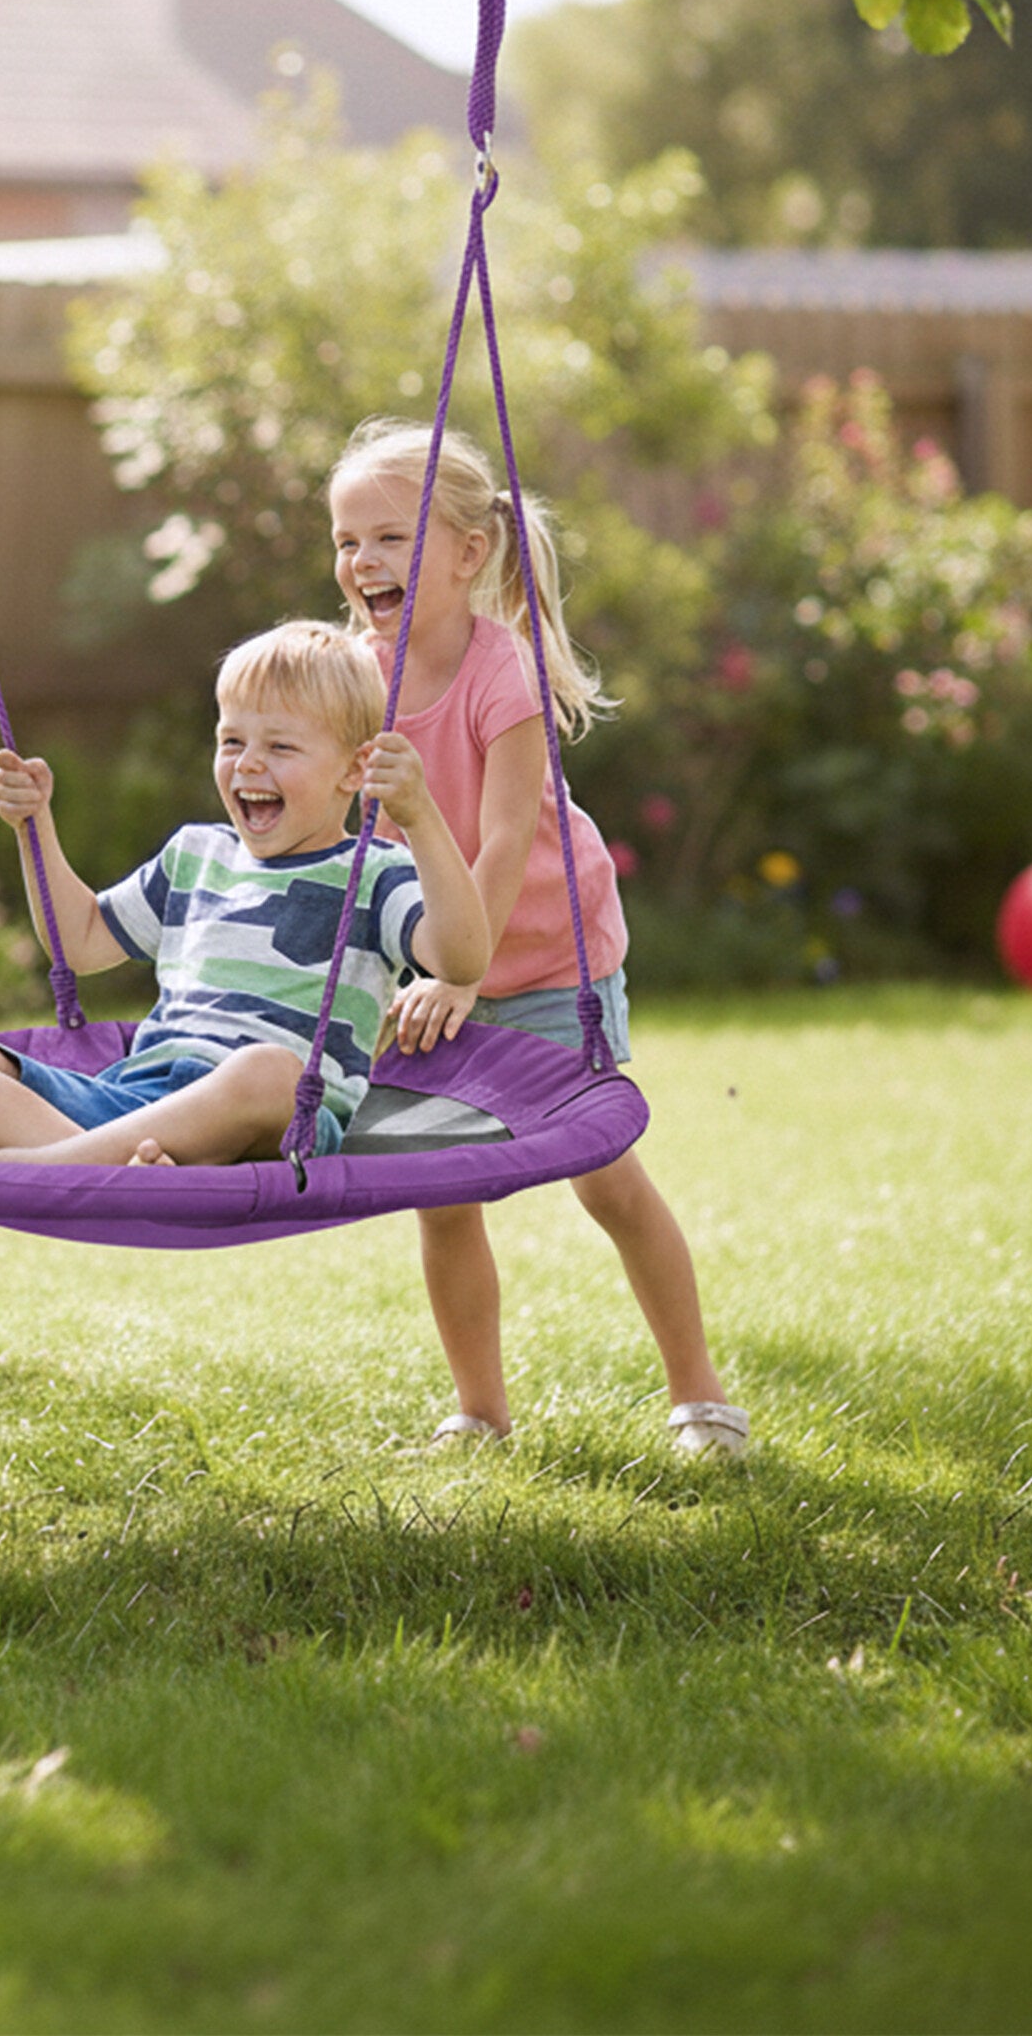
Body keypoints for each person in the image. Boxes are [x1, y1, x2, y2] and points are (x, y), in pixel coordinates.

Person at [328, 418, 751, 1459]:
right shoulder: (352, 675)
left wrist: (458, 975)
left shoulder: (497, 667)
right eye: (346, 540)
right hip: (437, 968)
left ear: (468, 552)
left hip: (550, 955)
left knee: (605, 1178)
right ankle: (481, 1412)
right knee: (442, 1193)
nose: (362, 560)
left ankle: (699, 1396)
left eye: (391, 537)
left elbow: (509, 834)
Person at [0, 620, 489, 1168]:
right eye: (232, 741)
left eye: (280, 746)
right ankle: (109, 1168)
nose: (247, 763)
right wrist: (33, 827)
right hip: (134, 1103)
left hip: (273, 1111)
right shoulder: (194, 855)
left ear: (355, 769)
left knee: (269, 1071)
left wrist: (419, 816)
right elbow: (80, 942)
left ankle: (16, 1166)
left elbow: (462, 958)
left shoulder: (374, 873)